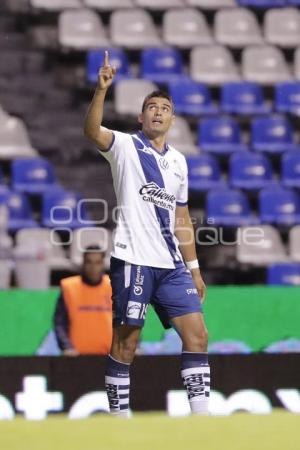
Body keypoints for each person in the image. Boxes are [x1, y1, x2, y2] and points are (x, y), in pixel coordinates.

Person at [84, 51, 210, 416]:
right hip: (134, 261)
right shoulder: (124, 146)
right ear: (141, 116)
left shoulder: (178, 162)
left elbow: (181, 217)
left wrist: (195, 268)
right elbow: (92, 131)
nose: (158, 112)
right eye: (151, 107)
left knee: (198, 336)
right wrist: (101, 90)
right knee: (126, 346)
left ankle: (204, 424)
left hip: (172, 266)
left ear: (172, 118)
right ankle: (119, 425)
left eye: (165, 108)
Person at [54, 245, 113, 356]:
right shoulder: (69, 288)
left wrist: (134, 346)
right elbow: (60, 323)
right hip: (76, 359)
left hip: (111, 359)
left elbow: (128, 321)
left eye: (97, 263)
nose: (93, 267)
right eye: (89, 262)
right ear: (83, 263)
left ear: (103, 264)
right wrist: (66, 347)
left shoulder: (115, 286)